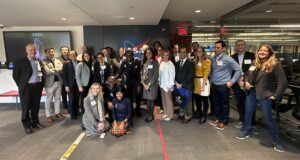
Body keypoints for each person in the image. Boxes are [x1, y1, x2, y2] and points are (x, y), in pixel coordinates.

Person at [236, 44, 288, 153]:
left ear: (270, 53)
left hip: (265, 95)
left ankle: (276, 140)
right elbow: (247, 74)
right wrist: (246, 82)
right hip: (251, 92)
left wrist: (275, 95)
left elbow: (283, 82)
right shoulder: (255, 63)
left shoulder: (275, 64)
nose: (262, 52)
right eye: (261, 50)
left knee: (267, 117)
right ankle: (246, 130)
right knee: (248, 112)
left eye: (265, 51)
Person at [209, 40, 242, 130]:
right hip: (215, 85)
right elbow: (212, 71)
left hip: (224, 85)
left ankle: (224, 121)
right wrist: (211, 81)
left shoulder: (228, 58)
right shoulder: (213, 58)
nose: (216, 49)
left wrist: (231, 81)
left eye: (218, 47)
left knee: (224, 104)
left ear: (223, 48)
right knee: (216, 103)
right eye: (215, 47)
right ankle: (218, 118)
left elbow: (239, 70)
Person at [12, 43, 45, 134]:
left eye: (34, 50)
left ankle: (35, 122)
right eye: (31, 50)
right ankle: (27, 126)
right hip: (26, 88)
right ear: (26, 51)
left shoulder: (38, 61)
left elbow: (41, 74)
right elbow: (15, 75)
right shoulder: (20, 61)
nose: (33, 51)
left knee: (36, 106)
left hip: (37, 87)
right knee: (26, 107)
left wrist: (42, 85)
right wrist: (22, 85)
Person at [231, 40, 255, 128]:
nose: (240, 46)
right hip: (237, 84)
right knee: (239, 102)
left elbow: (253, 68)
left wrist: (245, 78)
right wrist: (236, 80)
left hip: (248, 82)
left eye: (242, 45)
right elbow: (231, 70)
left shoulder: (251, 55)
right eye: (238, 45)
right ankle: (242, 119)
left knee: (249, 102)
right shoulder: (232, 57)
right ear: (236, 47)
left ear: (245, 45)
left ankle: (251, 122)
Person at [42, 48, 64, 123]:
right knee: (49, 99)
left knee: (57, 98)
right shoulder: (43, 61)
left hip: (58, 82)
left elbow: (62, 68)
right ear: (46, 53)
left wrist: (54, 70)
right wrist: (56, 70)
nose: (51, 53)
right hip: (49, 83)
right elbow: (47, 71)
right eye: (49, 52)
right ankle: (48, 115)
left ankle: (57, 113)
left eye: (52, 51)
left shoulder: (58, 60)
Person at [117, 50, 142, 117]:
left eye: (130, 55)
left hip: (136, 81)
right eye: (127, 55)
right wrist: (114, 78)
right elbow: (120, 72)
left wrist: (139, 84)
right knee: (129, 97)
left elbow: (140, 74)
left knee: (137, 96)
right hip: (129, 82)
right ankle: (130, 110)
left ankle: (137, 110)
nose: (129, 57)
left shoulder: (137, 62)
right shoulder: (124, 62)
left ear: (133, 55)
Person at [175, 48, 195, 123]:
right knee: (180, 100)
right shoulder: (177, 63)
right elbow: (175, 74)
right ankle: (181, 114)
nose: (182, 54)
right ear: (179, 53)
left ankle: (188, 116)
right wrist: (176, 83)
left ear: (186, 53)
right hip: (178, 85)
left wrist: (182, 84)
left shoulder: (191, 63)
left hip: (187, 85)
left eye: (184, 52)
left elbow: (190, 75)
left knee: (187, 101)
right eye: (180, 52)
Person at [193, 47, 211, 124]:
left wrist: (203, 85)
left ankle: (204, 116)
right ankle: (199, 113)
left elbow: (206, 73)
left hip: (203, 81)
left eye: (200, 51)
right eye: (197, 51)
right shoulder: (195, 61)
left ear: (203, 52)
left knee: (204, 100)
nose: (199, 52)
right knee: (197, 99)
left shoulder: (207, 61)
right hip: (196, 81)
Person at [142, 48, 159, 122]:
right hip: (145, 84)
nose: (148, 54)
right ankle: (149, 113)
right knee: (148, 100)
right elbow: (142, 74)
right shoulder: (144, 62)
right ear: (145, 54)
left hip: (152, 84)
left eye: (150, 53)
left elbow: (156, 75)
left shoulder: (155, 62)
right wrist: (143, 83)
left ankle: (151, 115)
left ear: (152, 54)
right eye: (147, 53)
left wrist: (149, 84)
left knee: (151, 100)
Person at [159, 49, 176, 121]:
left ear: (169, 56)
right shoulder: (162, 63)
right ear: (162, 56)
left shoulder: (170, 64)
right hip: (162, 85)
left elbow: (173, 75)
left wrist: (170, 85)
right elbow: (160, 74)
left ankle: (170, 115)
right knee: (164, 100)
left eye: (167, 55)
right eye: (164, 55)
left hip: (168, 85)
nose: (165, 56)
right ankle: (166, 113)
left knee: (169, 101)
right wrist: (159, 82)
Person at [63, 50, 80, 120]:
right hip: (70, 84)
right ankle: (72, 114)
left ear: (76, 55)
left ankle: (76, 111)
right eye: (71, 54)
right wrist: (66, 85)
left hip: (78, 83)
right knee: (71, 99)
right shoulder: (66, 63)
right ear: (69, 56)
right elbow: (64, 75)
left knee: (77, 98)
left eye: (74, 54)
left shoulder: (79, 62)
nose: (72, 56)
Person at [57, 46, 69, 114]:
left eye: (66, 50)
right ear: (61, 51)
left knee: (71, 94)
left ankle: (71, 106)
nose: (65, 51)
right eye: (63, 50)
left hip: (70, 80)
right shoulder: (58, 59)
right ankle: (65, 107)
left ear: (68, 51)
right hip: (62, 80)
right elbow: (58, 70)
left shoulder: (70, 58)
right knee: (64, 94)